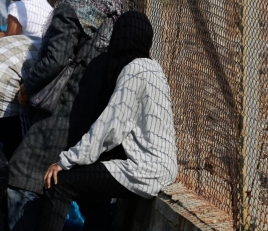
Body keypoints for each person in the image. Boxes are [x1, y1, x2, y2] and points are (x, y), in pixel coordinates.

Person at [8, 0, 124, 231]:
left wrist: (27, 86)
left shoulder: (72, 7)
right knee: (84, 190)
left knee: (24, 175)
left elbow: (54, 61)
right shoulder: (115, 5)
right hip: (98, 111)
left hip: (63, 110)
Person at [38, 12, 177, 231]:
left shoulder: (135, 70)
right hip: (159, 166)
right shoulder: (153, 68)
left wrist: (65, 161)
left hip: (145, 169)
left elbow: (110, 127)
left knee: (60, 183)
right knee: (92, 184)